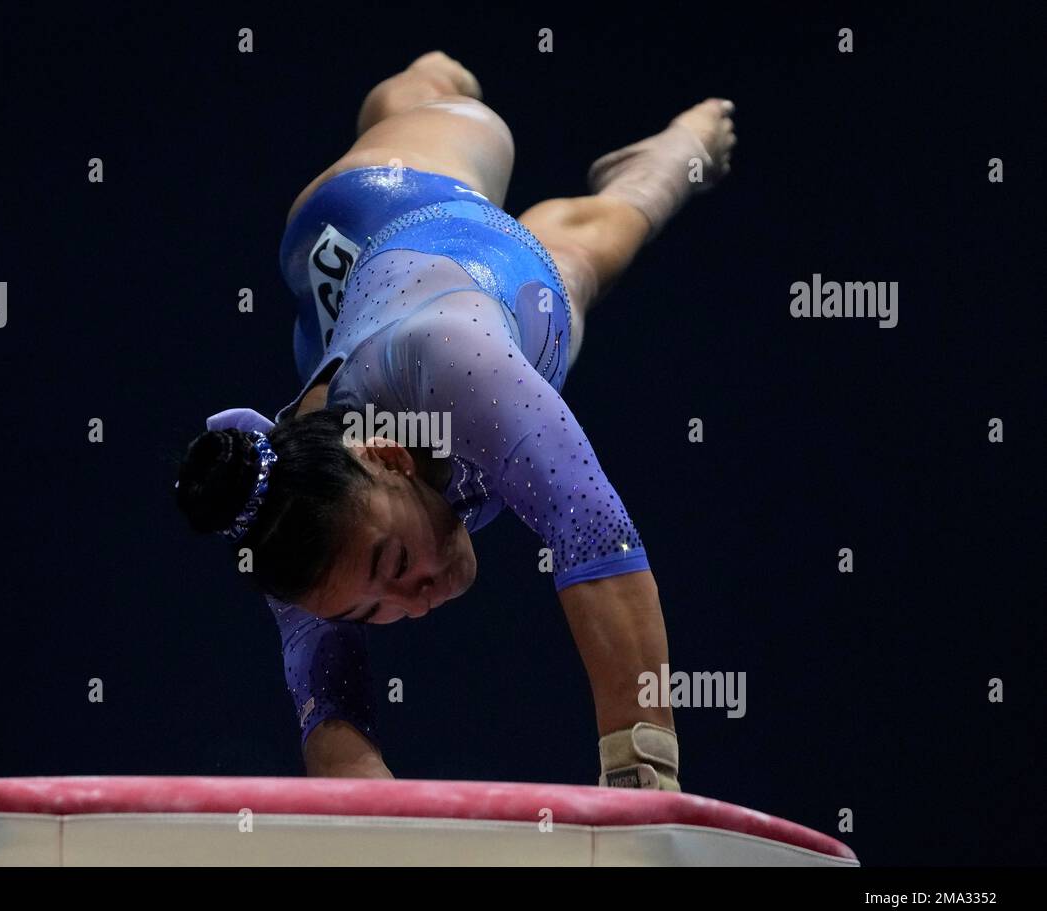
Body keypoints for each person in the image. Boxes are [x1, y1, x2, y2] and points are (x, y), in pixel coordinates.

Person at [176, 51, 736, 789]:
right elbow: (335, 732)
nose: (413, 604)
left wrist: (641, 771)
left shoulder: (454, 367)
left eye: (395, 566)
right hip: (426, 313)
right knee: (574, 259)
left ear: (395, 458)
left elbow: (593, 528)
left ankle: (424, 77)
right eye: (370, 612)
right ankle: (645, 167)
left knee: (457, 108)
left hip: (385, 202)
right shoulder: (298, 539)